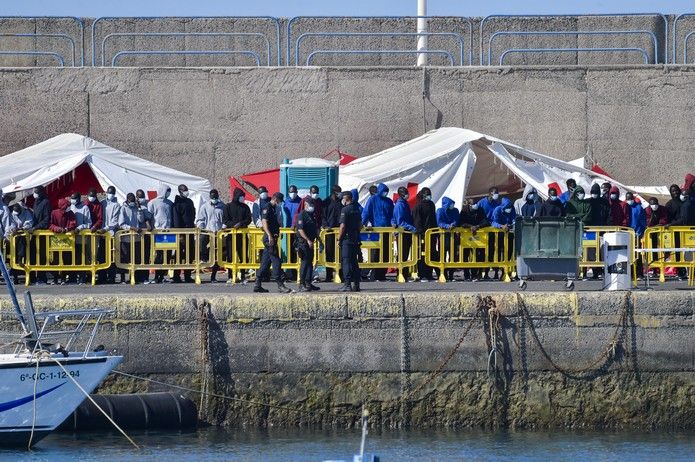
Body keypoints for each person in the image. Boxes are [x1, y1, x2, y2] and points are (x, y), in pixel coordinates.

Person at [254, 192, 292, 293]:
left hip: (272, 238)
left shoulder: (274, 208)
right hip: (269, 239)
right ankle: (280, 285)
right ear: (275, 199)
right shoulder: (268, 207)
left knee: (265, 263)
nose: (280, 203)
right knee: (276, 261)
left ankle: (257, 284)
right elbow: (264, 221)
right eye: (279, 201)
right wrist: (270, 235)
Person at [361, 183, 394, 281]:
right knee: (376, 253)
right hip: (376, 230)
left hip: (387, 230)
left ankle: (382, 275)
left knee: (386, 252)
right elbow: (366, 212)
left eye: (386, 192)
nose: (385, 193)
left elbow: (392, 215)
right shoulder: (372, 200)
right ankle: (374, 275)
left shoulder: (389, 201)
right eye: (384, 191)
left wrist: (393, 224)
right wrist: (363, 224)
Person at [222, 187, 252, 283]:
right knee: (230, 256)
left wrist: (241, 224)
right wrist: (233, 225)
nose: (242, 198)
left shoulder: (245, 207)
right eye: (241, 196)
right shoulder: (228, 206)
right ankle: (231, 276)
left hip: (242, 236)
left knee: (243, 256)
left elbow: (248, 219)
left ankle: (243, 276)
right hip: (231, 236)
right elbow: (225, 220)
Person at [196, 189, 225, 282]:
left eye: (216, 197)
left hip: (219, 233)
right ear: (210, 197)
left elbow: (225, 220)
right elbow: (200, 220)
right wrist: (202, 228)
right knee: (201, 241)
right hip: (208, 232)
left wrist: (223, 228)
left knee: (218, 255)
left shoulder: (223, 206)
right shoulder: (205, 207)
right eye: (213, 197)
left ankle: (213, 276)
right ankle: (204, 258)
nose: (214, 199)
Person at [295, 196, 322, 292]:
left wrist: (319, 240)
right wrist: (308, 240)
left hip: (311, 242)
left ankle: (308, 283)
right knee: (305, 263)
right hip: (303, 243)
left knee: (310, 263)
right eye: (310, 205)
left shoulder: (312, 215)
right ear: (305, 205)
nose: (312, 207)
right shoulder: (301, 215)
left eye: (312, 205)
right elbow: (300, 230)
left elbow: (314, 229)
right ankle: (301, 284)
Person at [147, 184, 173, 283]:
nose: (168, 193)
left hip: (169, 232)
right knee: (159, 255)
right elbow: (148, 217)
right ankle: (157, 276)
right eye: (167, 191)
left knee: (168, 254)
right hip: (158, 232)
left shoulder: (169, 203)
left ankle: (163, 276)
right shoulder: (152, 203)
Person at [459, 198, 490, 281]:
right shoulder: (464, 210)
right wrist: (470, 226)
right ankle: (466, 275)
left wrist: (477, 226)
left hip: (478, 236)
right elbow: (461, 223)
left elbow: (486, 222)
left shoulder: (480, 209)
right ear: (469, 205)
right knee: (466, 255)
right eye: (473, 204)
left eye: (476, 203)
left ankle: (475, 274)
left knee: (477, 255)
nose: (475, 205)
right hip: (466, 237)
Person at [338, 191, 362, 292]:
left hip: (347, 240)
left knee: (346, 262)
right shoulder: (356, 209)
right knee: (354, 262)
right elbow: (360, 225)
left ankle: (347, 284)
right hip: (355, 239)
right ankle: (356, 285)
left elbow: (342, 226)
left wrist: (339, 239)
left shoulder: (345, 210)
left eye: (342, 199)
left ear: (346, 198)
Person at [49, 198, 77, 285]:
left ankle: (64, 278)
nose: (69, 207)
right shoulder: (54, 213)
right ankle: (55, 278)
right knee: (55, 259)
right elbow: (50, 224)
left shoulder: (70, 213)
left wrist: (67, 229)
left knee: (66, 258)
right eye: (67, 206)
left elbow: (73, 223)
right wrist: (57, 229)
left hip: (67, 239)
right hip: (56, 239)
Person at [412, 187, 438, 281]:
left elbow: (433, 219)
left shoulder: (431, 204)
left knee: (431, 253)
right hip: (422, 235)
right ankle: (422, 274)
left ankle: (429, 274)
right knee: (422, 255)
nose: (429, 196)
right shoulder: (418, 206)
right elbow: (417, 220)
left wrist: (435, 231)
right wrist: (420, 231)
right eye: (427, 194)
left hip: (431, 234)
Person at [172, 184, 196, 283]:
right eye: (184, 190)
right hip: (181, 233)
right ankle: (176, 276)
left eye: (187, 190)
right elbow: (176, 219)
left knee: (190, 254)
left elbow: (193, 214)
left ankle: (187, 275)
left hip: (189, 231)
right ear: (180, 191)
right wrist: (179, 234)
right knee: (179, 254)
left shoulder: (189, 201)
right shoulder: (176, 204)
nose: (186, 191)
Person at [391, 186, 417, 280]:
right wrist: (412, 228)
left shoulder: (404, 203)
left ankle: (404, 274)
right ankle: (401, 274)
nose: (407, 194)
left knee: (405, 254)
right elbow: (400, 221)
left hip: (406, 232)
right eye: (405, 193)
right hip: (403, 233)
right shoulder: (400, 205)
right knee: (402, 254)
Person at [30, 185, 51, 284]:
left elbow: (46, 219)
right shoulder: (36, 202)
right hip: (35, 233)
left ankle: (42, 278)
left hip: (42, 233)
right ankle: (33, 277)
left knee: (42, 256)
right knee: (33, 255)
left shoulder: (46, 202)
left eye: (37, 192)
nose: (35, 194)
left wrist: (36, 227)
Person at [322, 185, 343, 282]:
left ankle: (340, 274)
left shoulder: (341, 202)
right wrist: (326, 226)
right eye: (338, 192)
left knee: (340, 253)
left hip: (339, 231)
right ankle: (328, 275)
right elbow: (323, 216)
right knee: (329, 252)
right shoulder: (326, 202)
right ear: (334, 192)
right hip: (329, 232)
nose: (340, 194)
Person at [101, 186, 122, 283]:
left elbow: (115, 221)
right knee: (102, 256)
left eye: (112, 193)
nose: (111, 194)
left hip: (111, 234)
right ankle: (102, 276)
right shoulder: (102, 203)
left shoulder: (117, 205)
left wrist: (105, 228)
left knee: (112, 257)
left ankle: (112, 277)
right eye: (109, 192)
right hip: (101, 234)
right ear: (106, 192)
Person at [436, 196, 459, 282]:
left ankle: (451, 274)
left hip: (453, 235)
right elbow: (439, 222)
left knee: (453, 255)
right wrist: (447, 226)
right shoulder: (440, 211)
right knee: (442, 255)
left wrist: (453, 224)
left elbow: (457, 219)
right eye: (450, 204)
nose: (452, 205)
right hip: (443, 236)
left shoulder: (455, 210)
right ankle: (443, 273)